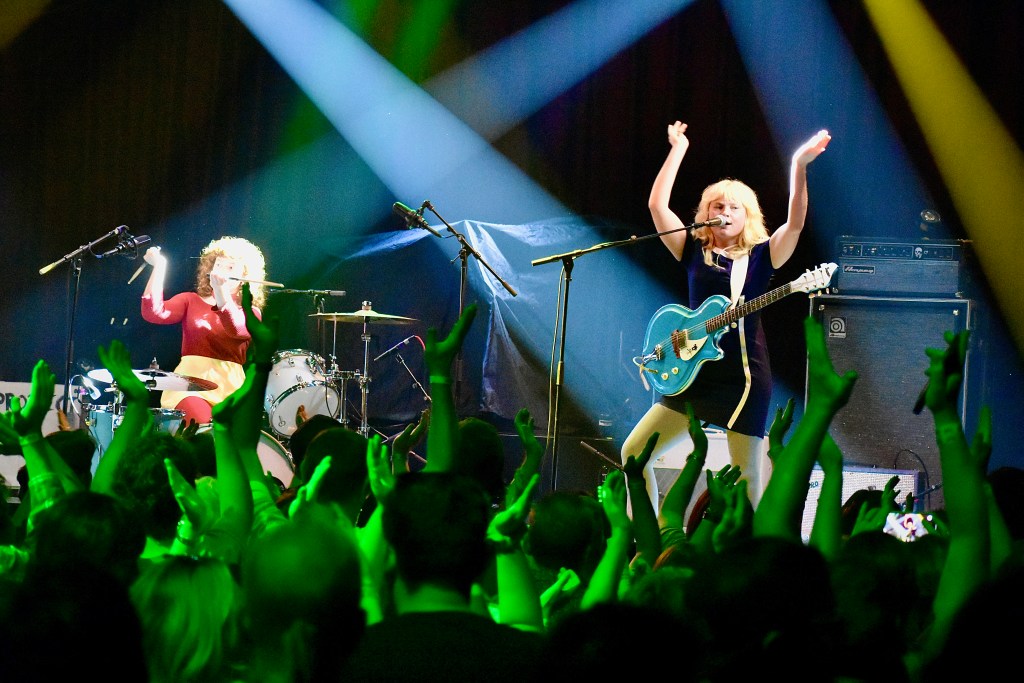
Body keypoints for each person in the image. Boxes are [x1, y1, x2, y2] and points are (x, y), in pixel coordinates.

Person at [621, 121, 832, 513]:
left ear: (748, 215)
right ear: (706, 213)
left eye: (735, 206)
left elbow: (797, 222)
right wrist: (678, 148)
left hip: (743, 378)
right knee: (633, 454)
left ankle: (741, 556)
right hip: (691, 374)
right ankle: (647, 545)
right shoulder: (689, 248)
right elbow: (656, 206)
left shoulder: (763, 256)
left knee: (747, 478)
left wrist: (798, 166)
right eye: (718, 205)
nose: (726, 211)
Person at [141, 236, 268, 425]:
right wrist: (160, 266)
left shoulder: (251, 312)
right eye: (218, 265)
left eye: (231, 267)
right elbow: (153, 312)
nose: (222, 272)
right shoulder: (190, 300)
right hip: (190, 386)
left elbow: (236, 330)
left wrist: (221, 293)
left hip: (232, 389)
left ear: (245, 275)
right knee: (206, 434)